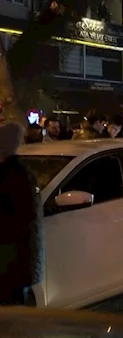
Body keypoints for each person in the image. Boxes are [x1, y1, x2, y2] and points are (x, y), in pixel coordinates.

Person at [0, 122, 42, 305]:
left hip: (12, 263)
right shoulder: (16, 172)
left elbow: (21, 221)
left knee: (12, 316)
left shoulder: (15, 175)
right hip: (12, 262)